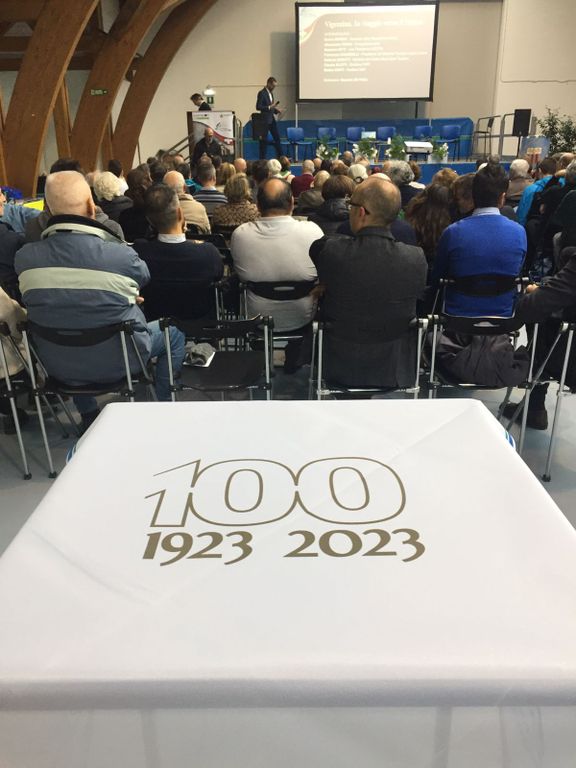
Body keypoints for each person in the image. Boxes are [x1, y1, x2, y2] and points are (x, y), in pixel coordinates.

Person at [14, 171, 185, 430]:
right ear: (91, 206)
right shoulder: (120, 257)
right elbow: (143, 277)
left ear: (47, 210)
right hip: (122, 360)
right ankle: (163, 409)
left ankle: (89, 415)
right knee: (173, 334)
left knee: (69, 324)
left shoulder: (25, 259)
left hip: (58, 366)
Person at [310, 176, 427, 388]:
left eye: (350, 205)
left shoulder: (333, 252)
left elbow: (316, 249)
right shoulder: (416, 258)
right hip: (395, 366)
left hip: (339, 362)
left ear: (361, 212)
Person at [231, 178, 322, 371]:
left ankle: (260, 356)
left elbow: (240, 275)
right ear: (292, 203)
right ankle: (296, 357)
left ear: (257, 206)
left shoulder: (241, 235)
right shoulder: (313, 232)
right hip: (302, 315)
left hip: (257, 316)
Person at [433, 161, 526, 317]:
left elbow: (438, 277)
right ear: (502, 198)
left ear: (473, 196)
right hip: (503, 317)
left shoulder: (453, 232)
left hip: (457, 316)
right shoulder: (519, 233)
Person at [133, 184, 223, 319]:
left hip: (156, 324)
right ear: (180, 213)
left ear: (150, 221)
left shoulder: (139, 254)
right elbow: (219, 276)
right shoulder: (209, 253)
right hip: (200, 325)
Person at [163, 169, 210, 234]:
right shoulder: (200, 208)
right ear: (184, 188)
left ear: (164, 190)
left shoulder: (161, 211)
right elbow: (208, 233)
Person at [256, 76, 282, 159]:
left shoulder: (271, 93)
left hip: (271, 119)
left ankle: (281, 157)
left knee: (277, 138)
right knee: (263, 141)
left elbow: (271, 107)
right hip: (264, 120)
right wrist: (270, 107)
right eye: (273, 86)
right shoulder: (262, 93)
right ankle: (262, 159)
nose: (274, 88)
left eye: (275, 86)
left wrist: (276, 110)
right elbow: (258, 107)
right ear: (268, 84)